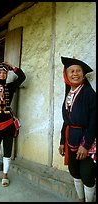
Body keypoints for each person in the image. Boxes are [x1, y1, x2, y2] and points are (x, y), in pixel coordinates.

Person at [58, 56, 96, 202]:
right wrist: (62, 141)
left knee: (87, 175)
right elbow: (66, 121)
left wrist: (86, 145)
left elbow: (94, 121)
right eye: (72, 71)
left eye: (79, 71)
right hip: (70, 139)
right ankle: (81, 199)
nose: (75, 74)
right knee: (74, 172)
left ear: (83, 74)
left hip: (87, 140)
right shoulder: (68, 94)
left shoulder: (88, 93)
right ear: (66, 75)